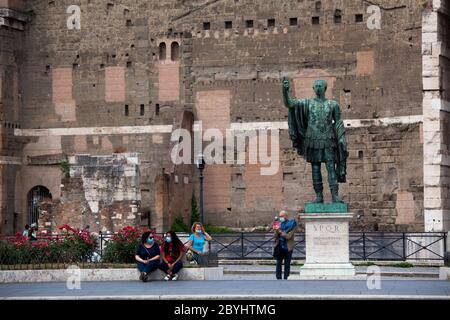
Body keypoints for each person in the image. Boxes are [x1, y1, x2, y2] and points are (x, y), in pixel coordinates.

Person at [273, 210, 297, 280]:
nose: (280, 218)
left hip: (288, 247)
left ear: (286, 216)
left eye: (282, 216)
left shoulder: (292, 224)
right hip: (279, 246)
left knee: (287, 264)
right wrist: (276, 230)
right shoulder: (278, 224)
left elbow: (288, 236)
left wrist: (280, 231)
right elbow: (275, 236)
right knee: (278, 263)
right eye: (279, 216)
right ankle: (278, 278)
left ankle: (286, 277)